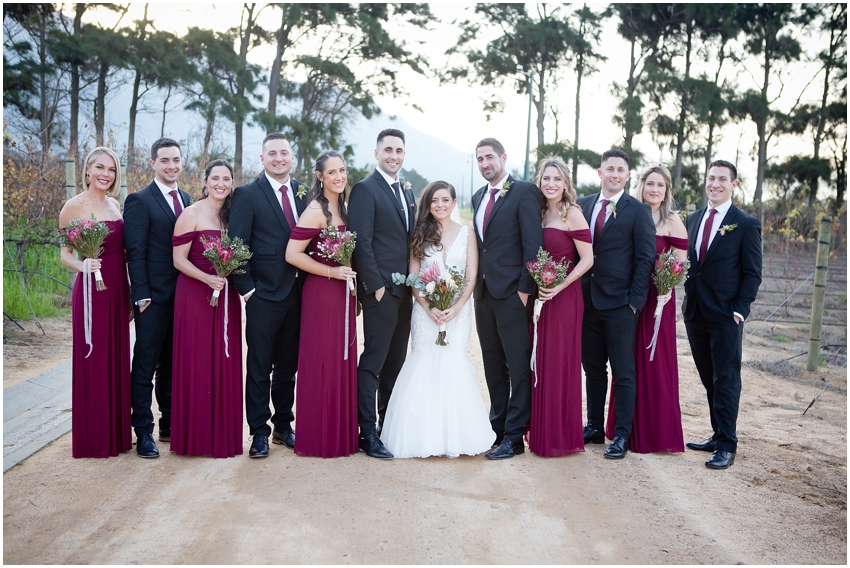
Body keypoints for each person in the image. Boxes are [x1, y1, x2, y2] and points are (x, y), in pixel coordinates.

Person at [381, 181, 495, 458]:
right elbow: (414, 277)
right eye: (434, 200)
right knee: (425, 363)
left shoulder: (467, 233)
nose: (440, 205)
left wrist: (456, 307)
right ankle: (421, 437)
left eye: (445, 200)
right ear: (428, 205)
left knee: (453, 362)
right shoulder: (420, 233)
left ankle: (454, 437)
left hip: (457, 312)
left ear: (454, 203)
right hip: (426, 313)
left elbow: (470, 275)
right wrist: (429, 306)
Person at [229, 133, 309, 458]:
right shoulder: (247, 194)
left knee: (289, 366)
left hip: (299, 294)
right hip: (262, 295)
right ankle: (259, 432)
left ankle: (283, 426)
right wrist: (248, 290)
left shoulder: (305, 193)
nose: (278, 158)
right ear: (262, 159)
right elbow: (237, 245)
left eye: (284, 153)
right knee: (260, 365)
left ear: (292, 157)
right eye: (272, 153)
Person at [577, 149, 655, 460]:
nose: (614, 174)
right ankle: (594, 426)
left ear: (628, 175)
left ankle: (621, 434)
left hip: (621, 305)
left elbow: (645, 258)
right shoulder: (583, 205)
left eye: (620, 170)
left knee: (623, 372)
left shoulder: (638, 211)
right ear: (600, 173)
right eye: (609, 169)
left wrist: (634, 302)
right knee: (593, 369)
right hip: (587, 301)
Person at [683, 159, 762, 470]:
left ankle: (727, 445)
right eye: (711, 178)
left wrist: (740, 310)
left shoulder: (745, 224)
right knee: (709, 378)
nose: (715, 184)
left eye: (722, 179)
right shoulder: (692, 219)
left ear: (734, 184)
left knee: (726, 379)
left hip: (727, 315)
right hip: (695, 312)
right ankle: (717, 434)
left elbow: (752, 273)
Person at [604, 166, 688, 453]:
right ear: (641, 186)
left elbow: (679, 265)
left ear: (666, 191)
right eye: (650, 183)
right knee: (626, 361)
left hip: (658, 299)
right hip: (628, 295)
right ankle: (624, 428)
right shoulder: (627, 212)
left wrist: (667, 287)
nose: (654, 189)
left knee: (654, 362)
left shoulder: (672, 221)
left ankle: (654, 433)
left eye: (660, 185)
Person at [471, 138, 543, 460]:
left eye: (489, 157)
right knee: (492, 365)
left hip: (513, 293)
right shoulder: (478, 196)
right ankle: (497, 429)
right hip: (483, 294)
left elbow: (533, 245)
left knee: (517, 366)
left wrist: (524, 290)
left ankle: (515, 437)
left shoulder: (524, 192)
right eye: (480, 159)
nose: (485, 163)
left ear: (503, 157)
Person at [285, 151, 359, 458]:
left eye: (342, 170)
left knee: (341, 359)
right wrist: (331, 272)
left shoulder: (344, 207)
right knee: (323, 361)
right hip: (322, 293)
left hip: (344, 293)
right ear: (319, 176)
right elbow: (292, 254)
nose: (339, 177)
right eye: (332, 172)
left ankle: (341, 434)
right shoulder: (316, 210)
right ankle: (319, 436)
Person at [349, 128, 417, 459]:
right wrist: (375, 287)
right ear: (377, 153)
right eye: (388, 150)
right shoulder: (365, 189)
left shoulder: (406, 190)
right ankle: (367, 432)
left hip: (405, 293)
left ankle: (387, 426)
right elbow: (361, 241)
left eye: (399, 150)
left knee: (395, 363)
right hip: (381, 292)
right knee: (374, 361)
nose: (394, 155)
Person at [59, 146, 132, 458]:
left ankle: (117, 434)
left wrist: (129, 290)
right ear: (87, 170)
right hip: (92, 290)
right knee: (95, 358)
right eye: (100, 167)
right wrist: (82, 265)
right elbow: (64, 254)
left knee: (117, 357)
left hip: (117, 286)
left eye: (112, 169)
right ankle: (95, 438)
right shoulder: (73, 206)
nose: (106, 174)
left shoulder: (115, 204)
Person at [124, 138, 193, 458]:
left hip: (184, 299)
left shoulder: (188, 199)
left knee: (172, 364)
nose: (171, 165)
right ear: (153, 163)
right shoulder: (139, 200)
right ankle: (143, 432)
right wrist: (141, 296)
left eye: (176, 160)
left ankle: (168, 423)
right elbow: (135, 252)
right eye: (164, 160)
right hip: (152, 299)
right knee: (145, 365)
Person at [170, 160, 242, 458]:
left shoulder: (234, 216)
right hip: (195, 295)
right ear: (205, 181)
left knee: (224, 359)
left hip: (226, 295)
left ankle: (222, 436)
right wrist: (207, 278)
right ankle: (196, 437)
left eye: (226, 179)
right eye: (215, 178)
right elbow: (178, 260)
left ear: (232, 183)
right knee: (197, 361)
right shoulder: (191, 213)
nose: (221, 184)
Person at [527, 157, 593, 457]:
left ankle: (559, 435)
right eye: (546, 178)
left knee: (559, 362)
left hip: (564, 297)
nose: (551, 183)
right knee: (538, 359)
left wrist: (560, 285)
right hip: (540, 295)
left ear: (566, 183)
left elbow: (587, 259)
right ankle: (539, 430)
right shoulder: (538, 213)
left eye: (556, 178)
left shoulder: (573, 214)